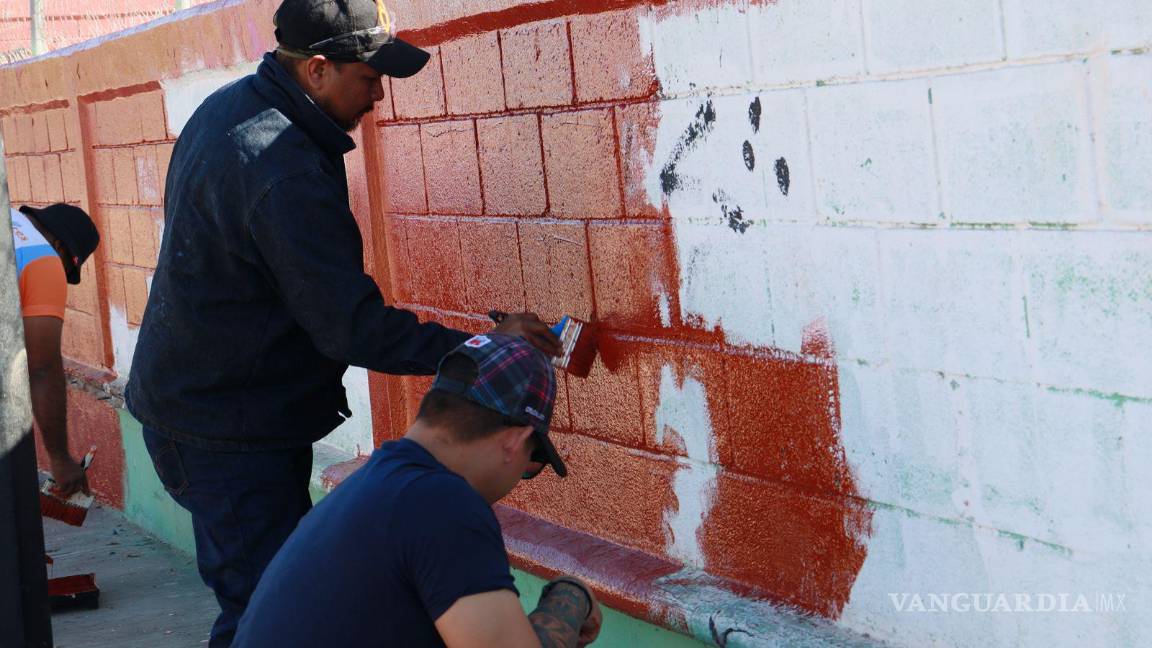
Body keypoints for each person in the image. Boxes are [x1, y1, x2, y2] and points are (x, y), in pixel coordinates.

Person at [125, 0, 560, 645]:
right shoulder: (285, 166)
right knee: (262, 613)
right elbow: (350, 328)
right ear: (319, 70)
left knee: (271, 600)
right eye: (370, 76)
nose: (379, 95)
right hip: (227, 431)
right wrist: (483, 346)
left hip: (205, 411)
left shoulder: (237, 109)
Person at [232, 334, 601, 647]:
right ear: (514, 440)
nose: (522, 473)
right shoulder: (442, 504)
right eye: (532, 461)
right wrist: (571, 595)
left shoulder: (379, 484)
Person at [11, 203, 100, 497]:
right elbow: (43, 367)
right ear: (62, 249)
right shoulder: (42, 257)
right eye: (67, 269)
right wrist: (60, 458)